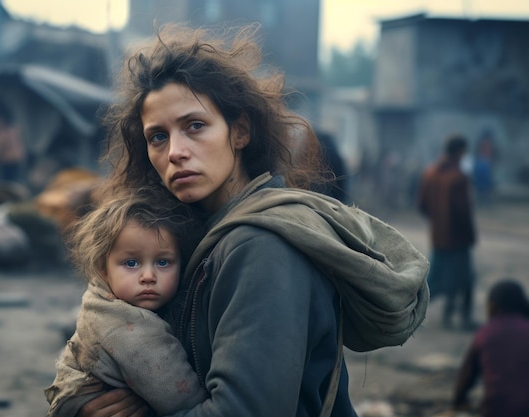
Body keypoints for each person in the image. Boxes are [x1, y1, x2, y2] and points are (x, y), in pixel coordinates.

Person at [67, 23, 429, 417]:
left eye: (195, 126)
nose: (175, 152)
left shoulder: (261, 247)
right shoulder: (188, 236)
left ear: (239, 132)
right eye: (158, 137)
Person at [45, 187, 206, 417]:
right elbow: (180, 399)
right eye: (131, 263)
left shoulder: (100, 299)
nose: (148, 276)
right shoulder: (128, 327)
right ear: (103, 269)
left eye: (163, 262)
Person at [417, 134, 477, 330]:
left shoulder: (430, 173)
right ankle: (462, 318)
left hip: (439, 237)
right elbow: (463, 213)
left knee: (436, 279)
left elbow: (422, 206)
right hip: (458, 239)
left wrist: (438, 222)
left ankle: (422, 313)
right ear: (460, 152)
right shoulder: (459, 178)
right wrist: (469, 236)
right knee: (466, 279)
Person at [452, 279, 529, 417]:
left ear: (493, 305)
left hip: (496, 411)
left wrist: (459, 402)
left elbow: (465, 378)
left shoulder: (485, 334)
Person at [0, 106, 26, 182]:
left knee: (4, 185)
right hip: (18, 160)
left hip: (7, 163)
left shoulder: (2, 132)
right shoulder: (15, 128)